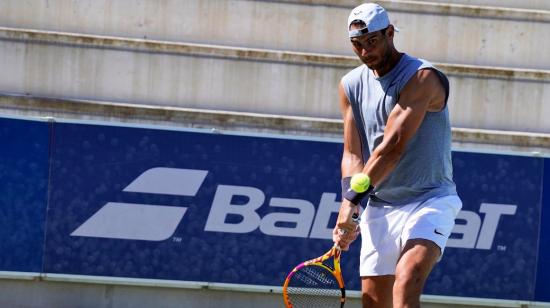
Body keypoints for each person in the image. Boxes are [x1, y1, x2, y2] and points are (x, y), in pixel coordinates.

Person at [332, 3, 462, 308]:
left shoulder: (422, 77)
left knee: (407, 278)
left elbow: (391, 149)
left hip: (430, 199)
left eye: (372, 41)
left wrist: (352, 200)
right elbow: (353, 153)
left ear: (390, 33)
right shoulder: (350, 85)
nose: (365, 52)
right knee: (375, 303)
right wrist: (347, 204)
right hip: (381, 206)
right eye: (357, 45)